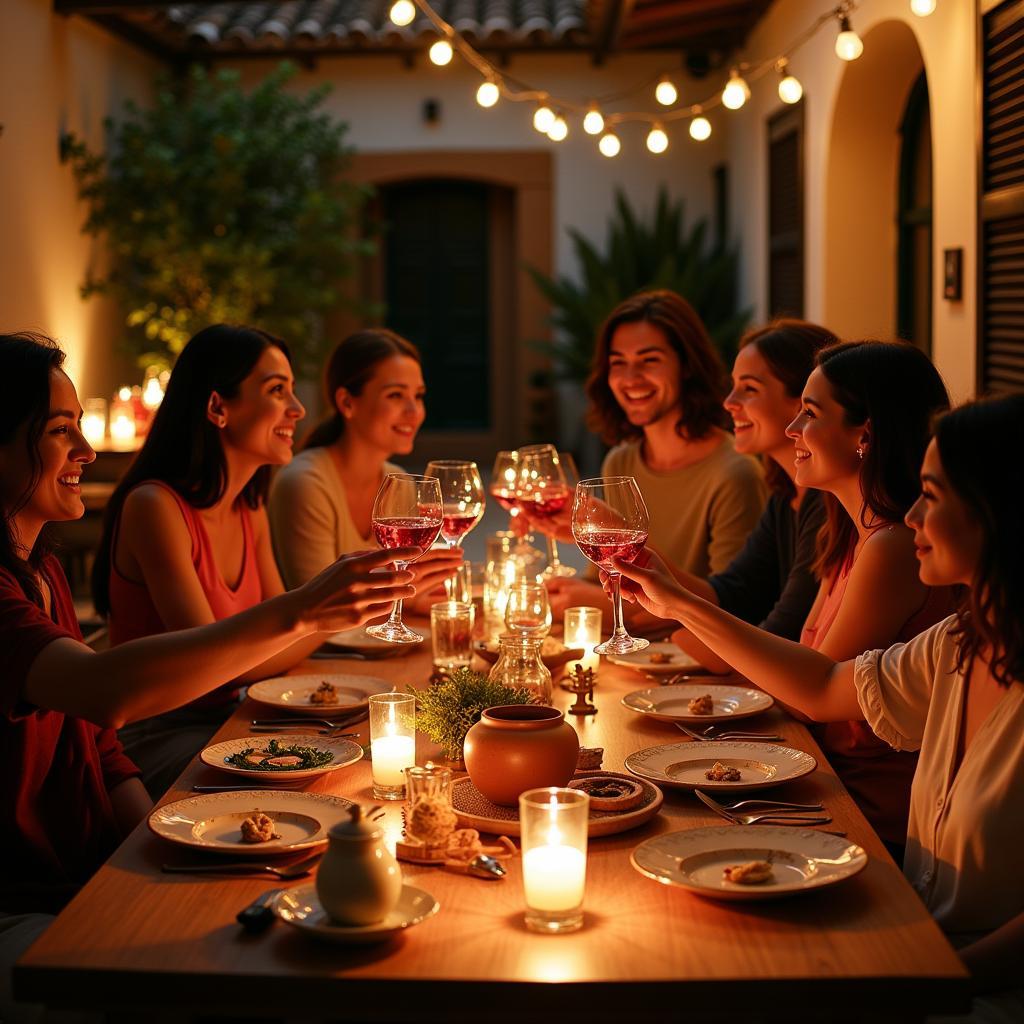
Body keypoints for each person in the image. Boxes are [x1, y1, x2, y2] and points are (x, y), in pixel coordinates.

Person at [0, 332, 419, 1020]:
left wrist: (160, 850)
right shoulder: (134, 516)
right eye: (59, 431)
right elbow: (112, 696)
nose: (87, 451)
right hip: (23, 899)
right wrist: (305, 612)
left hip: (80, 861)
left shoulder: (42, 571)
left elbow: (98, 748)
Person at [609, 394, 1024, 1020]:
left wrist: (928, 976)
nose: (910, 516)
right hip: (911, 939)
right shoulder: (957, 645)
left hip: (974, 990)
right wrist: (677, 605)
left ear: (999, 512)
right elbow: (822, 687)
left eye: (932, 496)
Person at [610, 340, 954, 852]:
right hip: (813, 783)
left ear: (866, 432)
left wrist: (677, 603)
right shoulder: (845, 534)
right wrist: (669, 596)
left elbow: (815, 692)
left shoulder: (893, 548)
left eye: (809, 414)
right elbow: (802, 667)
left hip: (859, 818)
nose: (794, 429)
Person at [91, 325, 455, 798]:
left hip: (235, 719)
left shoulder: (248, 506)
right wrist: (323, 606)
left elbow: (275, 646)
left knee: (384, 753)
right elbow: (213, 666)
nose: (298, 409)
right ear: (218, 407)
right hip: (162, 735)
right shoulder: (155, 506)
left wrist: (354, 605)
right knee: (339, 784)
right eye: (276, 390)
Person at [525, 290, 767, 627]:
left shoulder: (734, 473)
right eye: (617, 363)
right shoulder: (620, 463)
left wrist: (599, 611)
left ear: (686, 365)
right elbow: (607, 582)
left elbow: (730, 611)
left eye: (649, 360)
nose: (630, 378)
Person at [666, 319, 836, 672]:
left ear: (804, 402)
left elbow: (784, 636)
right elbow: (731, 595)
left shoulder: (831, 506)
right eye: (732, 387)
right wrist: (636, 554)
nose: (729, 402)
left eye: (749, 389)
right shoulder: (784, 497)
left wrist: (678, 619)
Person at [269, 328, 457, 598]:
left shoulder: (398, 481)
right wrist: (409, 594)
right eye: (395, 395)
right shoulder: (305, 483)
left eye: (418, 396)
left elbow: (402, 592)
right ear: (347, 402)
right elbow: (324, 610)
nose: (414, 411)